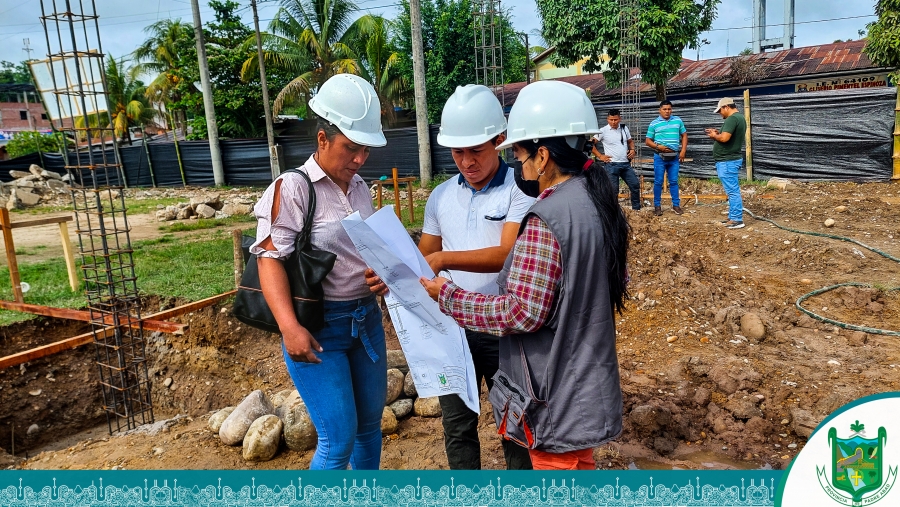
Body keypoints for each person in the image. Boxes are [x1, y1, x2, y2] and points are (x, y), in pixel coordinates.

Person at [420, 80, 631, 470]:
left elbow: (522, 312)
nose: (519, 163)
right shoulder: (593, 199)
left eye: (520, 153)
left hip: (555, 392)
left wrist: (448, 296)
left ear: (544, 155)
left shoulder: (547, 215)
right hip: (580, 383)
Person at [367, 84, 534, 470]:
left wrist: (442, 258)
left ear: (499, 140)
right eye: (458, 151)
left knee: (515, 423)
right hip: (451, 329)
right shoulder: (441, 197)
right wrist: (388, 272)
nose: (466, 160)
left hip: (502, 327)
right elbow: (423, 258)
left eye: (476, 150)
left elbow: (507, 253)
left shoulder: (520, 189)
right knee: (457, 425)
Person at [251, 74, 388, 470]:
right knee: (337, 439)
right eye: (350, 148)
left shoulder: (360, 186)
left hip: (366, 322)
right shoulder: (293, 188)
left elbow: (365, 249)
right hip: (318, 328)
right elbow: (269, 259)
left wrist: (379, 273)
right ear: (323, 138)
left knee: (368, 430)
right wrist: (288, 327)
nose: (359, 158)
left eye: (364, 149)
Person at [706, 97, 748, 229]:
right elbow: (727, 136)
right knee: (732, 190)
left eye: (720, 111)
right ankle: (732, 217)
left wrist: (714, 136)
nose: (720, 114)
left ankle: (737, 219)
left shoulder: (732, 119)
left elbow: (724, 138)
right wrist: (718, 133)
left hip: (727, 161)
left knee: (732, 191)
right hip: (729, 160)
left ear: (726, 107)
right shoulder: (739, 118)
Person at [591, 109, 641, 210]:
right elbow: (590, 144)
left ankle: (636, 209)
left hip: (625, 164)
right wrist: (600, 156)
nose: (613, 122)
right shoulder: (602, 131)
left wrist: (632, 149)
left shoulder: (624, 128)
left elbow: (630, 141)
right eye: (611, 120)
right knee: (613, 190)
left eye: (615, 119)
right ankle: (613, 211)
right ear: (607, 119)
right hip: (611, 165)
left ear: (620, 119)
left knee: (635, 185)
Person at [645, 100, 687, 216]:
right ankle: (657, 206)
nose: (667, 111)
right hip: (659, 156)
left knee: (673, 181)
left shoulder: (678, 120)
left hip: (674, 156)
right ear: (660, 110)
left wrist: (683, 151)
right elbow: (648, 141)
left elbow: (684, 135)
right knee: (658, 182)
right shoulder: (654, 123)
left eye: (669, 109)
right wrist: (659, 147)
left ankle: (676, 205)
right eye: (664, 109)